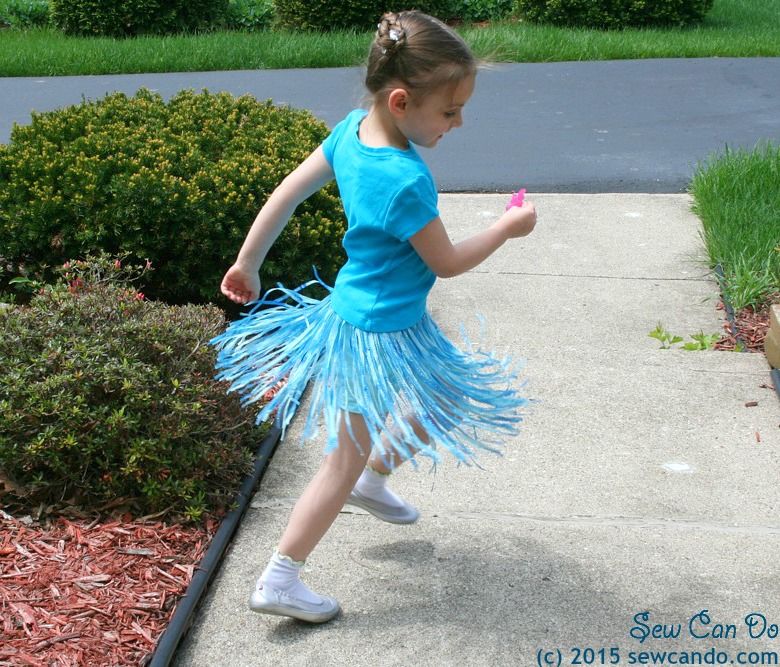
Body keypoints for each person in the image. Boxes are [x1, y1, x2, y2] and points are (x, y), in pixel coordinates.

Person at [210, 9, 537, 624]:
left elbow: (288, 190)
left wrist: (247, 263)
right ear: (400, 99)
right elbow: (446, 262)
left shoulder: (353, 131)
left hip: (366, 315)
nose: (459, 122)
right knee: (342, 459)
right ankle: (280, 578)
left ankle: (372, 480)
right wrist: (505, 227)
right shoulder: (405, 180)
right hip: (377, 332)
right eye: (450, 110)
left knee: (441, 400)